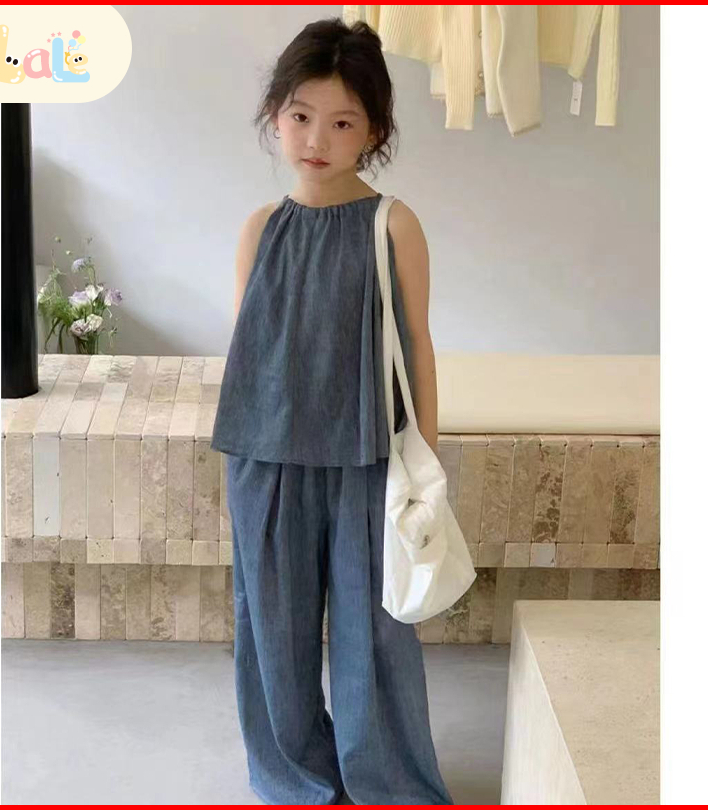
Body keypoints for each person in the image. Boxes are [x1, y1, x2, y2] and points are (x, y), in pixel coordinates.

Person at [210, 16, 453, 806]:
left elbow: (417, 346)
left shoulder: (394, 224)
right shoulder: (259, 229)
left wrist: (427, 461)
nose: (317, 138)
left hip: (365, 460)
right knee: (272, 636)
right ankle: (296, 778)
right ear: (275, 114)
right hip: (267, 459)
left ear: (374, 131)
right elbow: (252, 352)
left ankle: (383, 780)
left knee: (373, 636)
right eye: (301, 115)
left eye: (343, 122)